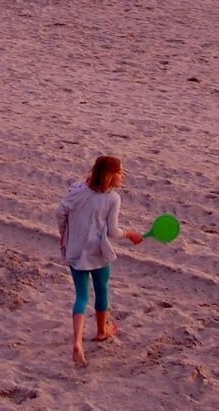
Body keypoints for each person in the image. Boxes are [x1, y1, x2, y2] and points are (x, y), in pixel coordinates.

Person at [57, 155, 143, 367]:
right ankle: (101, 331)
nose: (123, 176)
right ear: (109, 175)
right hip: (98, 252)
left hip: (75, 250)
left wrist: (64, 234)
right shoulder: (112, 198)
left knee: (81, 296)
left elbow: (60, 212)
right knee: (102, 290)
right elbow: (113, 232)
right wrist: (130, 234)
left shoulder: (77, 189)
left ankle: (77, 341)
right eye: (120, 172)